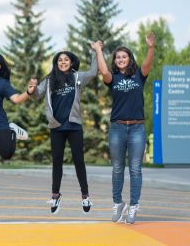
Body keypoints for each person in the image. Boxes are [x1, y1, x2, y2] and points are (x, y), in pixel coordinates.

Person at [32, 41, 105, 214]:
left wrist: (96, 51)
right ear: (56, 64)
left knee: (79, 161)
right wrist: (32, 88)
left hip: (74, 125)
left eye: (66, 60)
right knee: (57, 162)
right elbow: (36, 95)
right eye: (60, 60)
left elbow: (94, 72)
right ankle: (56, 196)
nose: (63, 62)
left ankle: (85, 196)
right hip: (56, 126)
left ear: (71, 62)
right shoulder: (49, 80)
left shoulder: (77, 77)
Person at [101, 32, 156, 224]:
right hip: (117, 128)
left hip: (137, 129)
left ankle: (133, 206)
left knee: (135, 169)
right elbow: (103, 71)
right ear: (115, 61)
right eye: (118, 57)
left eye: (124, 56)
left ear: (130, 59)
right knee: (117, 168)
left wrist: (150, 47)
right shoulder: (113, 78)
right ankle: (118, 203)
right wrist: (99, 50)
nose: (121, 59)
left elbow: (148, 63)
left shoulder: (139, 76)